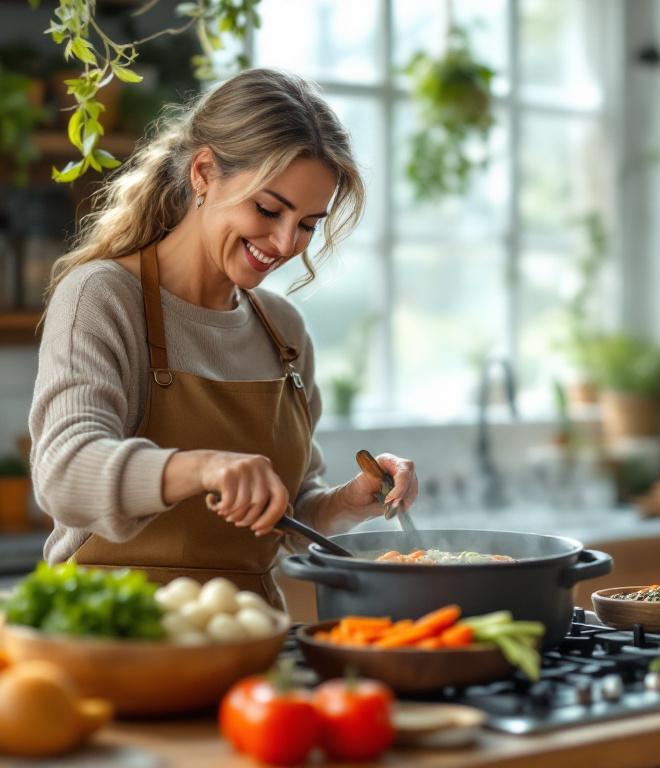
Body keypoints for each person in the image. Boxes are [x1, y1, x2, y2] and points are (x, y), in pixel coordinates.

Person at [28, 68, 417, 608]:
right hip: (109, 635)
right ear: (204, 172)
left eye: (307, 223)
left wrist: (351, 500)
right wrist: (203, 467)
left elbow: (288, 514)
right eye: (268, 209)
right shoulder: (102, 296)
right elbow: (64, 474)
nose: (285, 243)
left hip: (247, 641)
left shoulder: (282, 330)